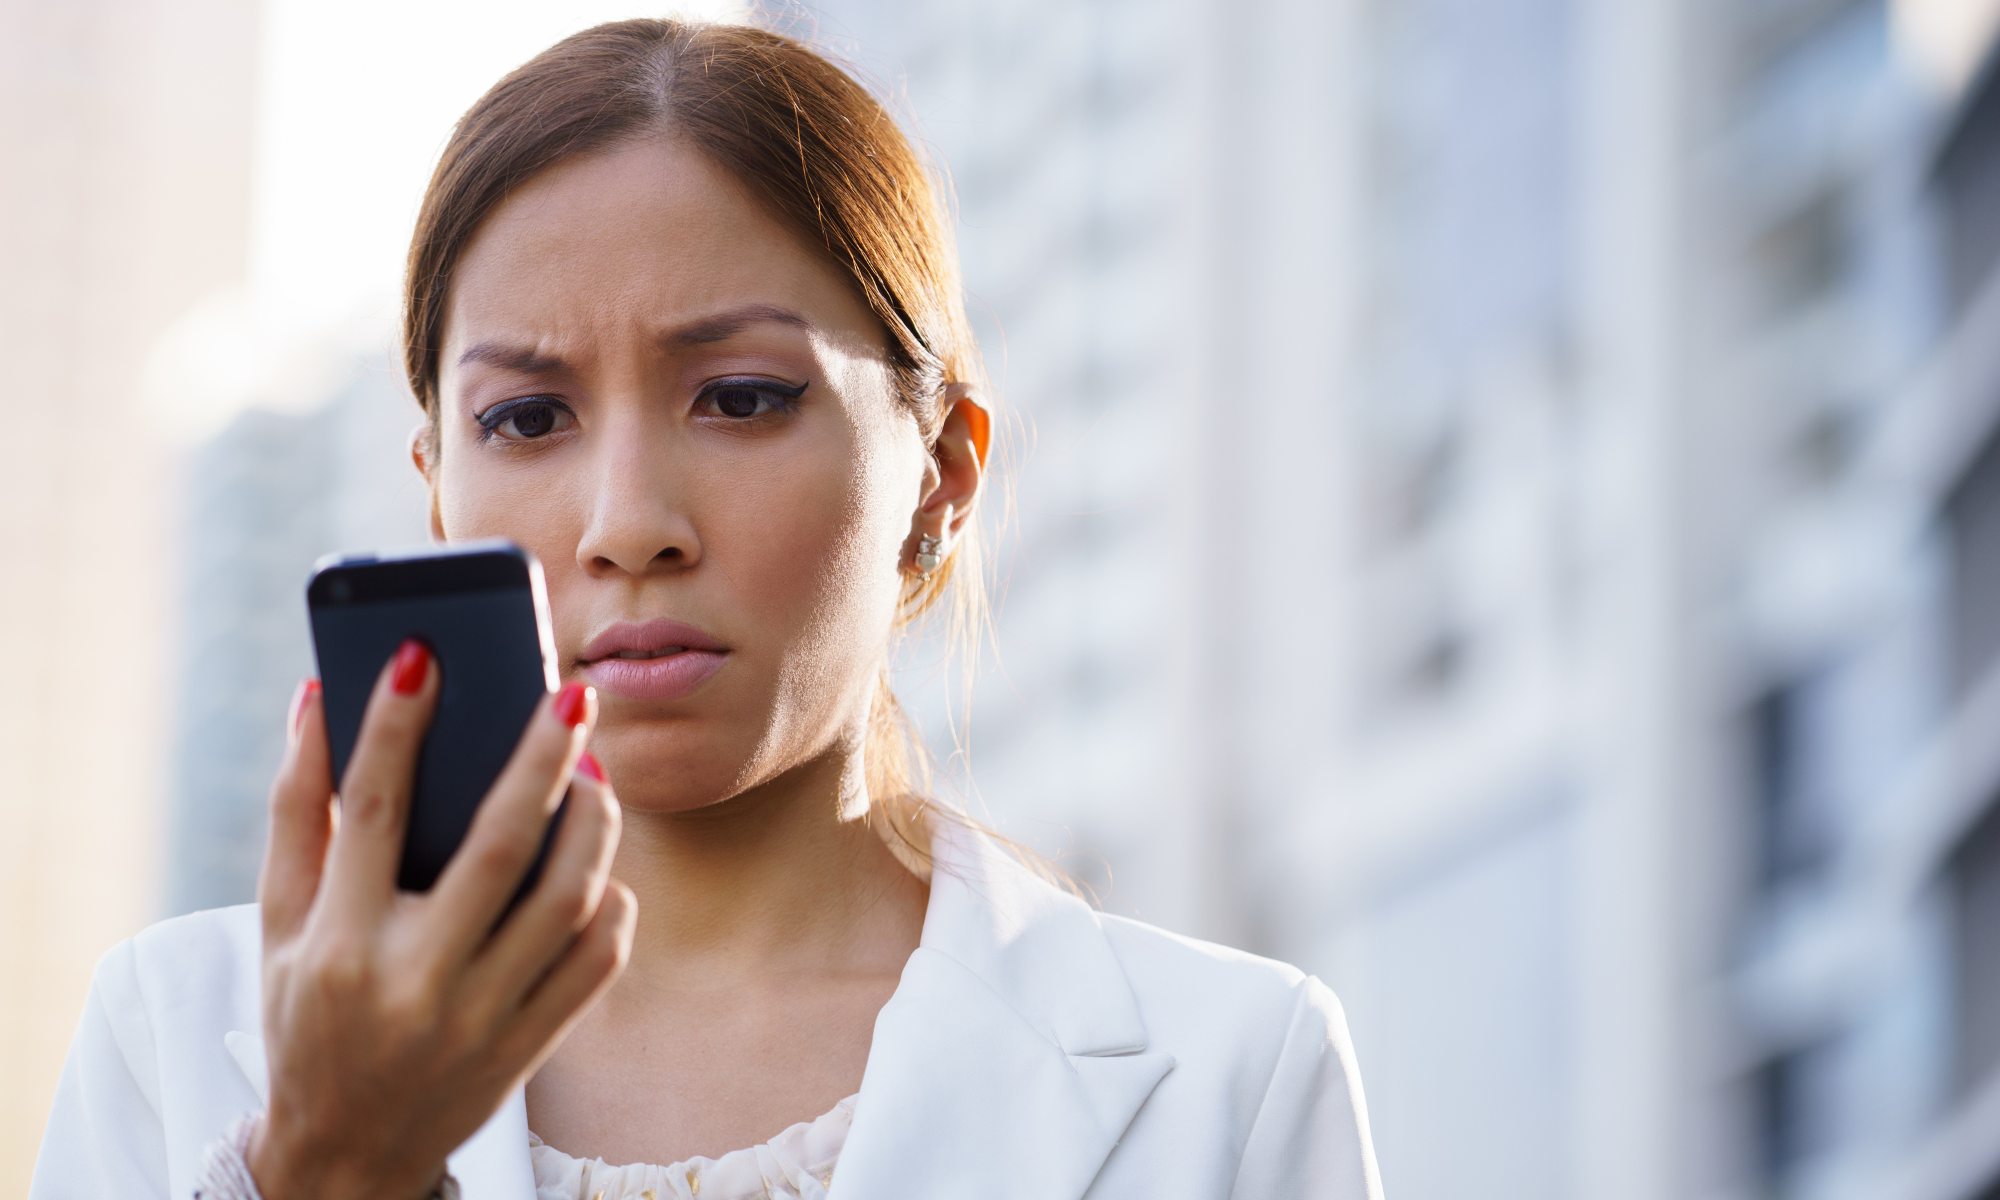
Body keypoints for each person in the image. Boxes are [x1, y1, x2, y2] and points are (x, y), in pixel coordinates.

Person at [31, 18, 1382, 1200]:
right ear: (436, 487)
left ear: (942, 473)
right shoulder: (169, 1037)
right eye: (528, 418)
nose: (628, 523)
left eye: (740, 398)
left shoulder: (1237, 1074)